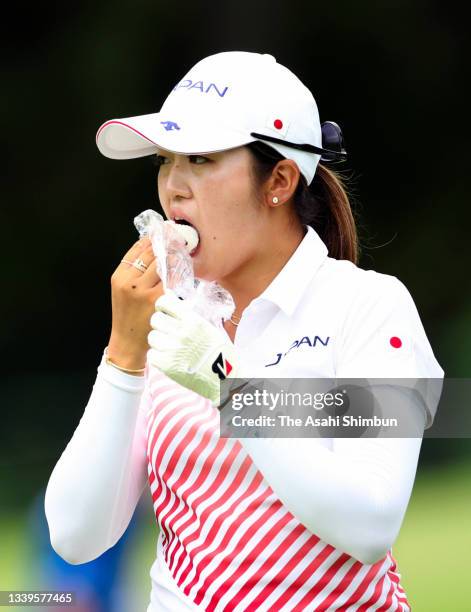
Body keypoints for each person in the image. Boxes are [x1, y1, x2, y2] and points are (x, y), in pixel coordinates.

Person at [45, 51, 444, 611]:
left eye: (202, 159)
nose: (173, 188)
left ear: (278, 179)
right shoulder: (172, 324)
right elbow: (76, 536)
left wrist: (228, 382)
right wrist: (123, 355)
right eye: (164, 161)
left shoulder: (367, 307)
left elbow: (368, 523)